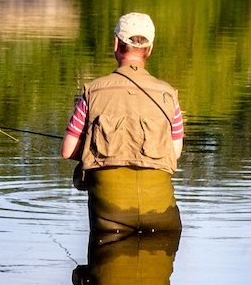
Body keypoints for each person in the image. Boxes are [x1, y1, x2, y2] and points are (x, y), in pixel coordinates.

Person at [61, 12, 183, 232]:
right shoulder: (169, 96)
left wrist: (94, 146)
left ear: (115, 43)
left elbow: (68, 150)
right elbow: (174, 153)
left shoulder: (92, 92)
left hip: (109, 217)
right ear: (150, 49)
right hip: (162, 217)